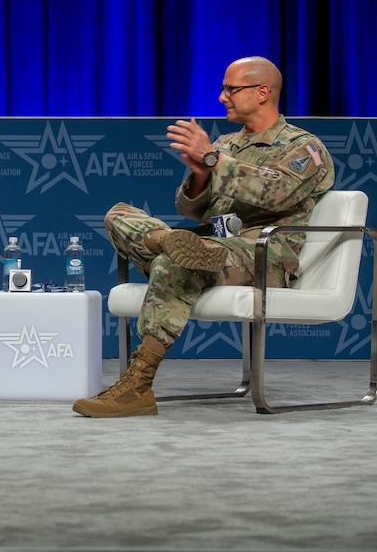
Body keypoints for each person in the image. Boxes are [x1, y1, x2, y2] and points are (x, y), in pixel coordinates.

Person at [73, 55, 335, 418]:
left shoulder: (302, 147)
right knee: (119, 214)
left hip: (262, 255)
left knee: (175, 263)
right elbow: (190, 209)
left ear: (262, 92)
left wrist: (212, 160)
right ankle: (168, 242)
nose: (221, 97)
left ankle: (138, 385)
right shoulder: (227, 143)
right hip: (208, 244)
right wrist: (199, 174)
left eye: (231, 89)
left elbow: (277, 194)